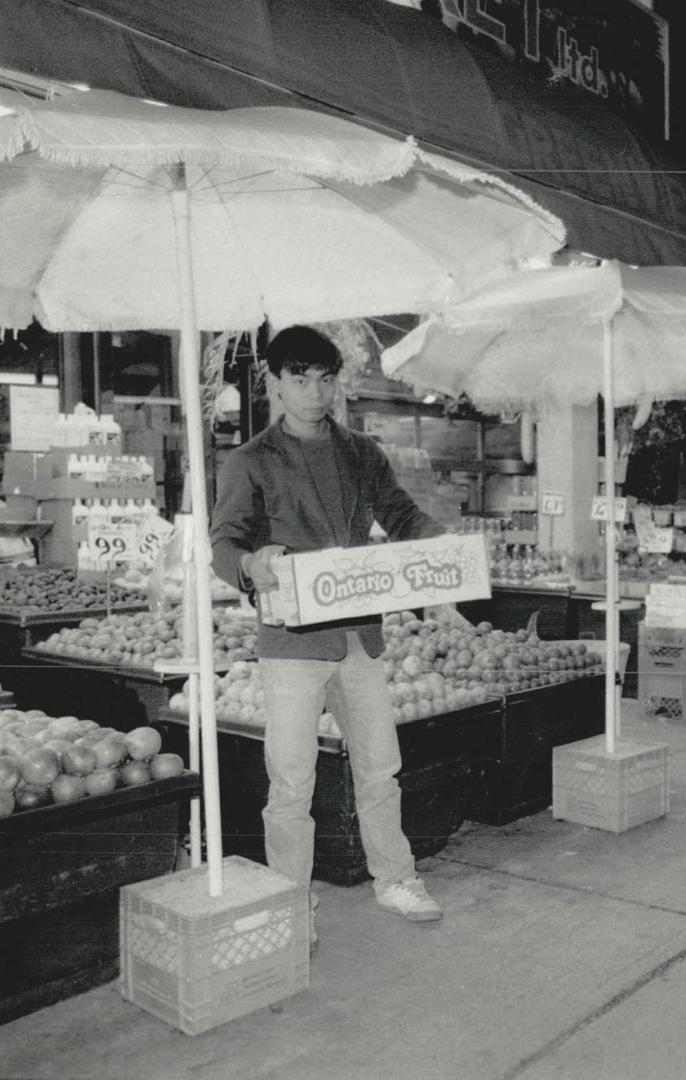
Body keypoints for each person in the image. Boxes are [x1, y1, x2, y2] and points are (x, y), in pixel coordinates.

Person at [211, 325, 450, 943]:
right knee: (291, 780)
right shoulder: (250, 461)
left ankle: (395, 877)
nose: (315, 393)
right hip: (291, 644)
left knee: (380, 768)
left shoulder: (362, 453)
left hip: (360, 637)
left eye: (325, 379)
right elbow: (225, 542)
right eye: (299, 380)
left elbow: (399, 513)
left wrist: (436, 539)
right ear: (274, 383)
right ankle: (292, 902)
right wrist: (248, 565)